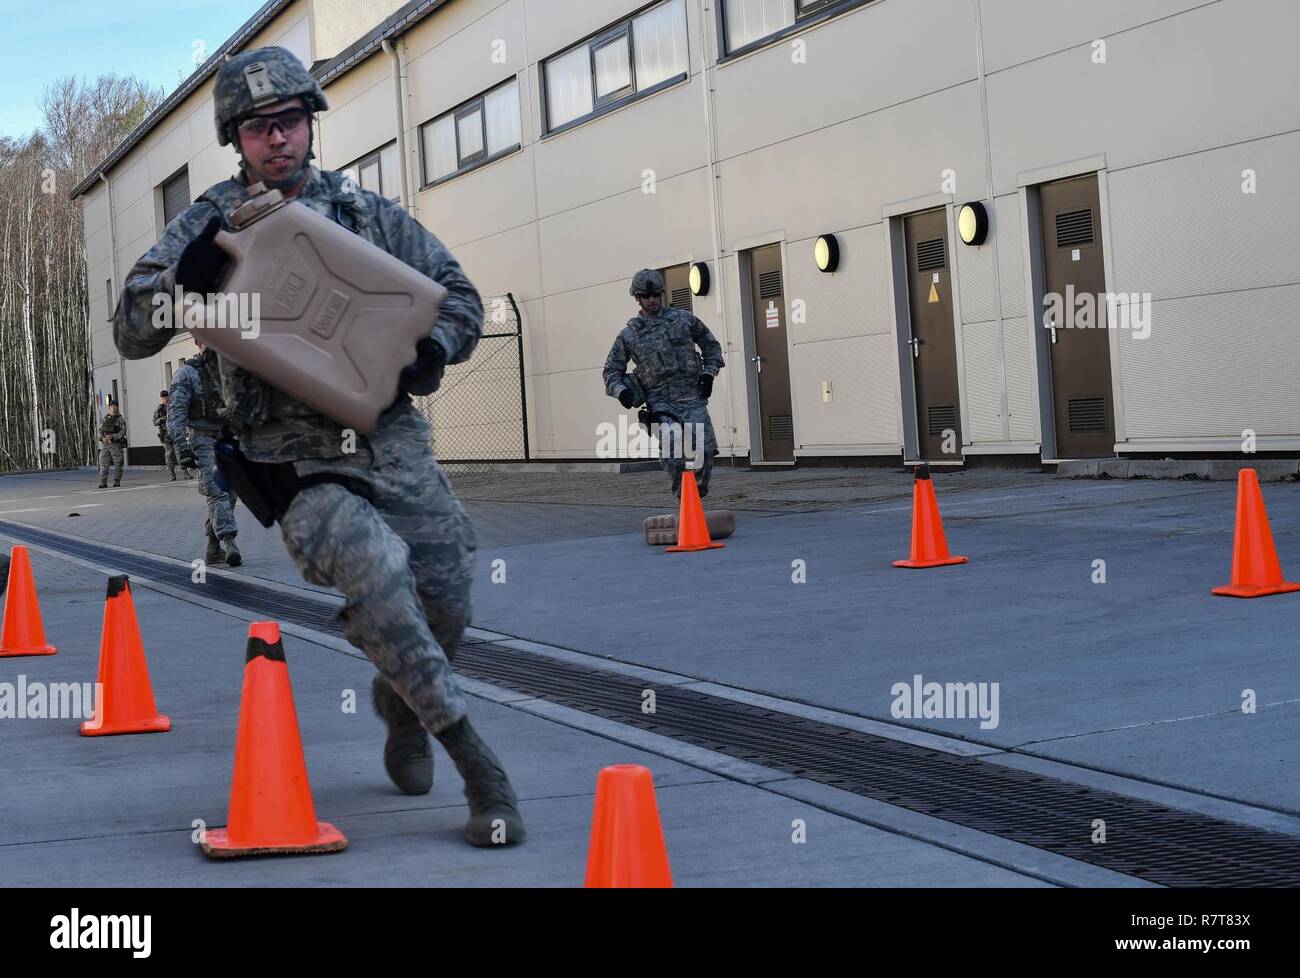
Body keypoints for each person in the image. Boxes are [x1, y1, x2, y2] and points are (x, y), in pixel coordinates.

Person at [111, 46, 522, 848]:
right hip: (292, 460)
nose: (278, 139)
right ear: (237, 138)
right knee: (380, 575)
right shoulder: (211, 221)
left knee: (449, 593)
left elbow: (461, 296)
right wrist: (181, 282)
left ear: (310, 125)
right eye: (260, 127)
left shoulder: (367, 215)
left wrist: (434, 346)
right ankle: (481, 768)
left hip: (390, 439)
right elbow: (130, 327)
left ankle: (399, 702)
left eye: (291, 121)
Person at [603, 269, 726, 498]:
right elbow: (611, 371)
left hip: (691, 398)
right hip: (660, 404)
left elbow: (712, 347)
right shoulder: (629, 335)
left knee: (705, 451)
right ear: (637, 298)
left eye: (655, 295)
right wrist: (622, 393)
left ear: (662, 294)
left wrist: (708, 374)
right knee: (674, 452)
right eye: (646, 296)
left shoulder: (684, 320)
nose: (652, 300)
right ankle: (685, 500)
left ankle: (697, 497)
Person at [169, 339, 241, 566]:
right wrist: (182, 448)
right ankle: (229, 542)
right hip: (202, 438)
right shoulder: (186, 374)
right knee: (217, 490)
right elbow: (175, 415)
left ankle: (212, 547)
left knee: (230, 494)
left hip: (228, 438)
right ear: (198, 342)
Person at [153, 390, 183, 481]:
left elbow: (181, 417)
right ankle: (172, 474)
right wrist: (161, 420)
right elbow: (154, 422)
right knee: (169, 455)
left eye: (166, 397)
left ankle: (186, 472)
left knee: (180, 453)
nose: (165, 399)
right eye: (163, 398)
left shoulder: (174, 406)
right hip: (165, 435)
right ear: (161, 398)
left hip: (175, 433)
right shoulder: (159, 409)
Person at [96, 402, 127, 489]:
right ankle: (103, 482)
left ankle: (117, 481)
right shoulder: (105, 419)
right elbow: (99, 431)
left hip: (116, 445)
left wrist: (113, 437)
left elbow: (123, 431)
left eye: (115, 406)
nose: (114, 408)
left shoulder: (120, 419)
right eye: (112, 407)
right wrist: (102, 438)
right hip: (106, 445)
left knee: (118, 463)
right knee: (103, 463)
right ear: (109, 408)